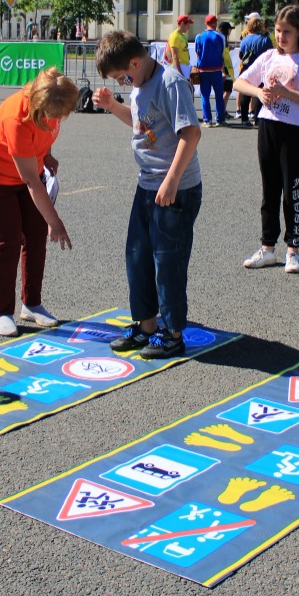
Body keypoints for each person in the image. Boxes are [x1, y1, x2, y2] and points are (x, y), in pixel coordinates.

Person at [93, 30, 203, 359]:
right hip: (147, 185)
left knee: (167, 262)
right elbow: (142, 124)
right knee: (137, 256)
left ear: (136, 62)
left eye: (122, 76)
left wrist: (171, 180)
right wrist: (114, 106)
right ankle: (147, 325)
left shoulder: (169, 82)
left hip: (175, 189)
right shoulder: (140, 84)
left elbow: (191, 133)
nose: (122, 82)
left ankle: (172, 333)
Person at [0, 68, 80, 337]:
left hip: (25, 173)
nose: (58, 120)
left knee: (35, 237)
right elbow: (32, 180)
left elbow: (43, 138)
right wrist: (54, 221)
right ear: (38, 107)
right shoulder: (16, 117)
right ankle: (2, 313)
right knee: (8, 240)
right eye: (54, 115)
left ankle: (32, 304)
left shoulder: (50, 102)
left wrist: (47, 154)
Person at [233, 5, 299, 274]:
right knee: (269, 188)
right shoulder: (268, 56)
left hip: (295, 131)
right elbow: (240, 82)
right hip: (268, 126)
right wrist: (258, 92)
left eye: (287, 31)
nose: (281, 36)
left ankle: (293, 249)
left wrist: (286, 92)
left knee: (292, 189)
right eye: (277, 30)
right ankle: (267, 248)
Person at [236, 14, 273, 125]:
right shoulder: (265, 39)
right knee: (260, 92)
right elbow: (270, 54)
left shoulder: (245, 39)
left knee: (246, 93)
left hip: (247, 68)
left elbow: (241, 54)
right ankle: (257, 118)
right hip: (261, 69)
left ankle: (244, 118)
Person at [193, 14, 228, 127]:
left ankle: (207, 120)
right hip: (216, 69)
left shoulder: (199, 36)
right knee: (219, 95)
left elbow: (197, 53)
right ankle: (220, 119)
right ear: (214, 23)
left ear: (205, 23)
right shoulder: (220, 36)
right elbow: (222, 51)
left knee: (205, 96)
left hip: (203, 69)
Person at [164, 14, 194, 80]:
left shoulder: (183, 36)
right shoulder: (175, 36)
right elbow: (174, 56)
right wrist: (180, 73)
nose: (189, 27)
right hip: (179, 67)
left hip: (185, 66)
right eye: (188, 25)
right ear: (182, 23)